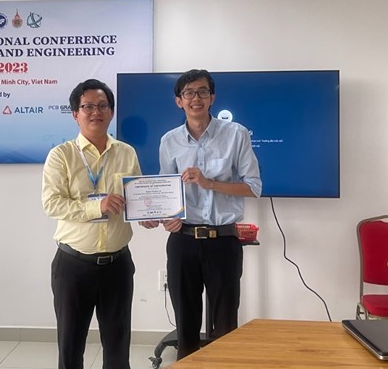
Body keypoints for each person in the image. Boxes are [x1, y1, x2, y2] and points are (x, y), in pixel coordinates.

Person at [141, 69, 262, 359]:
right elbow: (167, 191)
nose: (196, 98)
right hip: (183, 241)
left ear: (212, 97)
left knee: (226, 326)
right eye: (189, 93)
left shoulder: (236, 134)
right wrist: (162, 216)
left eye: (202, 91)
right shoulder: (169, 141)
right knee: (186, 326)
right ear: (179, 101)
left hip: (223, 241)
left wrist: (209, 183)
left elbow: (254, 187)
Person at [42, 78, 142, 369]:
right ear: (75, 114)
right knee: (71, 348)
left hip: (117, 265)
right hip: (73, 266)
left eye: (102, 106)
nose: (96, 112)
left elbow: (135, 199)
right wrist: (97, 205)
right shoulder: (61, 155)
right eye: (88, 106)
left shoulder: (126, 152)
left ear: (111, 112)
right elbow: (52, 204)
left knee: (118, 348)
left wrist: (147, 215)